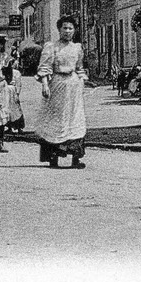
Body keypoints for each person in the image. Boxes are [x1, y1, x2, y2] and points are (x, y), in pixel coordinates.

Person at [34, 15, 88, 169]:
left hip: (73, 87)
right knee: (56, 119)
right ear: (59, 29)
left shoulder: (77, 48)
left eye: (70, 28)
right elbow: (45, 68)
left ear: (74, 30)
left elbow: (79, 68)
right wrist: (45, 84)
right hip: (57, 85)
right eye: (65, 28)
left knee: (74, 119)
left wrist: (82, 81)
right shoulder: (52, 47)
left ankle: (75, 159)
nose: (67, 31)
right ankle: (53, 157)